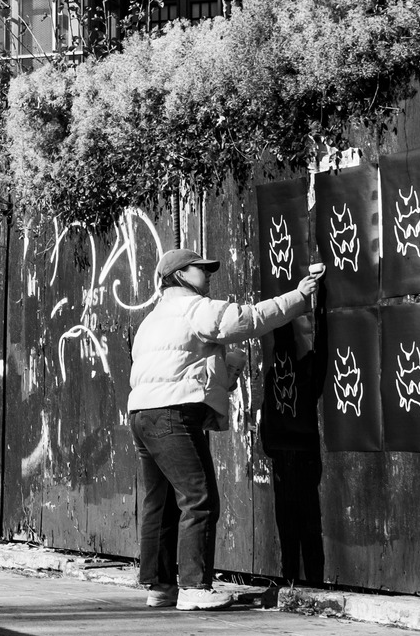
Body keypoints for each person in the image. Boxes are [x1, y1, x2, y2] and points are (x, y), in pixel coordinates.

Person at [128, 248, 320, 611]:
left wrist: (223, 368)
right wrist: (299, 297)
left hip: (142, 414)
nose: (208, 274)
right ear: (180, 275)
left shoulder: (152, 319)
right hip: (173, 413)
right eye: (201, 269)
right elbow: (249, 319)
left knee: (162, 502)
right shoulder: (196, 308)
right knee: (198, 498)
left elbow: (176, 362)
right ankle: (195, 587)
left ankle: (161, 586)